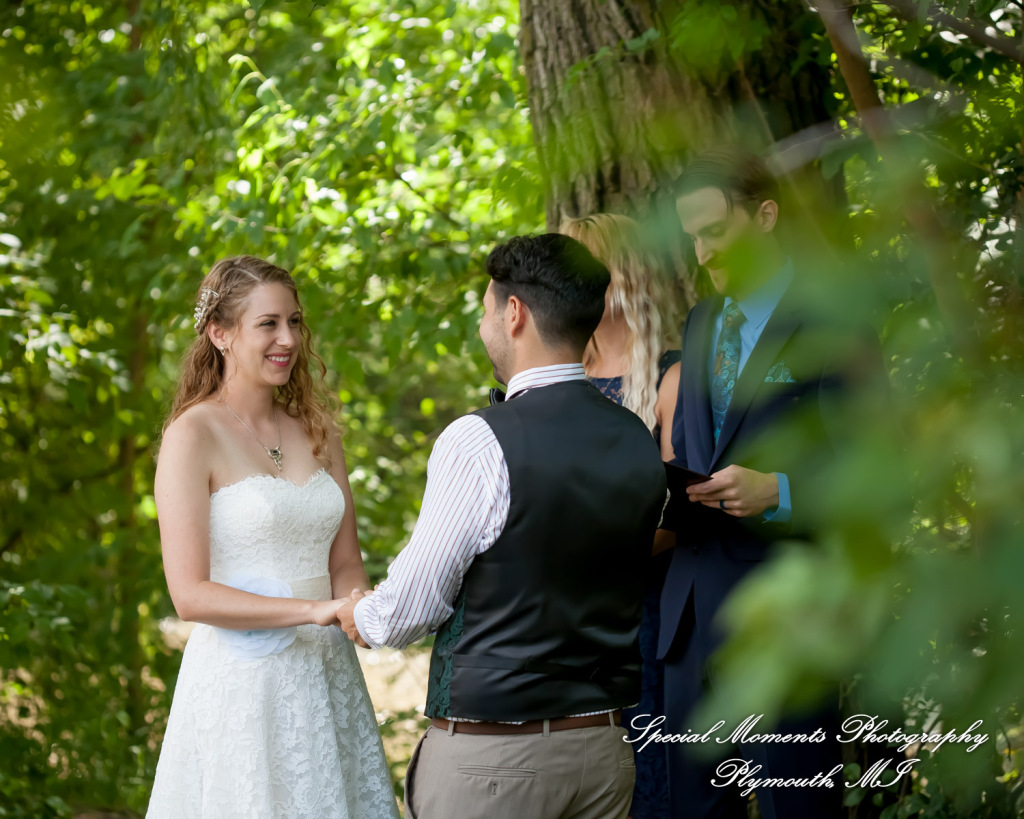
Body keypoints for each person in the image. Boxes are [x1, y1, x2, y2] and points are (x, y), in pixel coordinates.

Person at [336, 234, 668, 819]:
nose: (483, 322)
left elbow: (411, 606)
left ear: (513, 314)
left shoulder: (479, 439)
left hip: (494, 763)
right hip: (604, 755)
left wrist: (359, 614)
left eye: (487, 307)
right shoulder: (636, 439)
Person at [659, 148, 888, 818]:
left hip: (788, 620)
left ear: (765, 215)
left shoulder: (837, 322)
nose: (701, 253)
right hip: (692, 617)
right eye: (691, 236)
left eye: (714, 231)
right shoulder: (700, 323)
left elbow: (880, 468)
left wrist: (780, 489)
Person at [147, 256, 399, 818]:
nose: (288, 338)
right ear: (220, 333)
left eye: (294, 322)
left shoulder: (317, 429)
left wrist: (357, 605)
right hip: (243, 685)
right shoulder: (192, 435)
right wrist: (316, 610)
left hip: (328, 673)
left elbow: (346, 562)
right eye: (268, 324)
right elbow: (189, 595)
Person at [560, 213, 680, 819]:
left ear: (621, 275)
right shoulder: (557, 378)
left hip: (643, 609)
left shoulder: (670, 375)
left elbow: (681, 509)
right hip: (560, 614)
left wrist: (601, 564)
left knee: (647, 773)